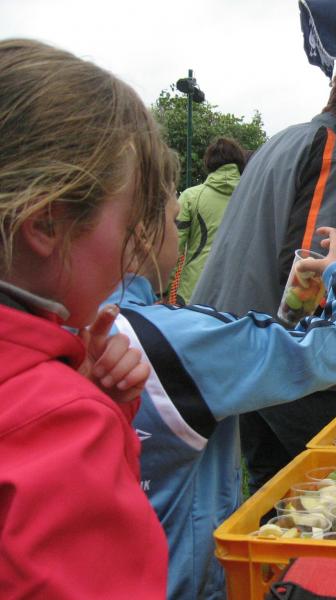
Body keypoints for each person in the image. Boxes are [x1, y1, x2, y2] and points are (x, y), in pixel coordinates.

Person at [105, 192, 336, 599]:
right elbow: (335, 347)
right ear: (143, 234)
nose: (179, 235)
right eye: (176, 221)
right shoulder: (180, 340)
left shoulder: (56, 327)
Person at [192, 59, 336, 493]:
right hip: (279, 349)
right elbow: (309, 269)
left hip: (232, 341)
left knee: (276, 490)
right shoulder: (334, 151)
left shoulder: (278, 140)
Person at [0, 39, 172, 597]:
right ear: (47, 224)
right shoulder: (63, 423)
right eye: (130, 220)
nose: (135, 246)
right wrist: (83, 418)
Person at [170, 137, 246, 304]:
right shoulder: (251, 199)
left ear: (209, 163)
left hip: (192, 294)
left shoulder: (191, 196)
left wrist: (163, 291)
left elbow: (174, 247)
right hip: (235, 298)